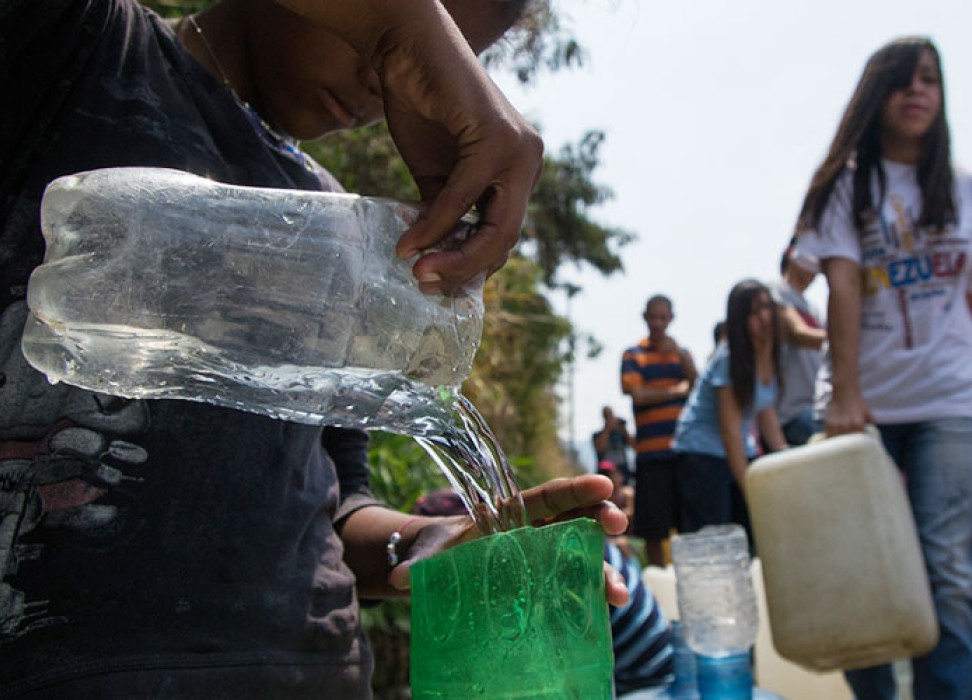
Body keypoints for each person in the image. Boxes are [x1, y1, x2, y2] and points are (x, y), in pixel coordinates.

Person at [0, 1, 629, 697]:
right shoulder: (79, 47)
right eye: (430, 37)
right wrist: (400, 32)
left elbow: (336, 500)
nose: (379, 79)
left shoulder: (332, 216)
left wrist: (418, 541)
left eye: (460, 52)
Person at [793, 36, 972, 700]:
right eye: (903, 81)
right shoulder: (847, 187)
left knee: (945, 569)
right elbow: (840, 289)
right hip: (862, 409)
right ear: (878, 94)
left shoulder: (961, 190)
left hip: (951, 403)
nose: (919, 91)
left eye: (930, 79)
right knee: (857, 569)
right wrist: (844, 394)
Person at [671, 280, 788, 537]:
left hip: (735, 451)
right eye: (755, 311)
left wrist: (786, 458)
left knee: (747, 534)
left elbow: (766, 413)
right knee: (715, 537)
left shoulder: (770, 353)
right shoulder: (729, 358)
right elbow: (729, 431)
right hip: (701, 453)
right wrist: (749, 488)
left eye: (768, 308)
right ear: (739, 319)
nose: (765, 317)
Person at [621, 294, 697, 567]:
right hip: (650, 454)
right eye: (653, 317)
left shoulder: (682, 355)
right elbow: (638, 396)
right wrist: (676, 391)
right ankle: (657, 576)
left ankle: (684, 574)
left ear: (671, 319)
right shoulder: (634, 355)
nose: (658, 323)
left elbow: (697, 388)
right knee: (654, 527)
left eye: (663, 318)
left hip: (682, 451)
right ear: (645, 317)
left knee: (687, 522)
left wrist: (681, 359)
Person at [767, 238, 827, 446]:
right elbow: (799, 334)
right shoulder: (775, 292)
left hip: (818, 405)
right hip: (791, 412)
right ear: (791, 253)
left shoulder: (813, 308)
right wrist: (847, 338)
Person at [592, 406, 635, 484]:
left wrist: (624, 429)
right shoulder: (598, 435)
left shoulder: (620, 434)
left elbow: (633, 445)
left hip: (622, 469)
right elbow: (600, 448)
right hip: (605, 469)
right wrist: (607, 428)